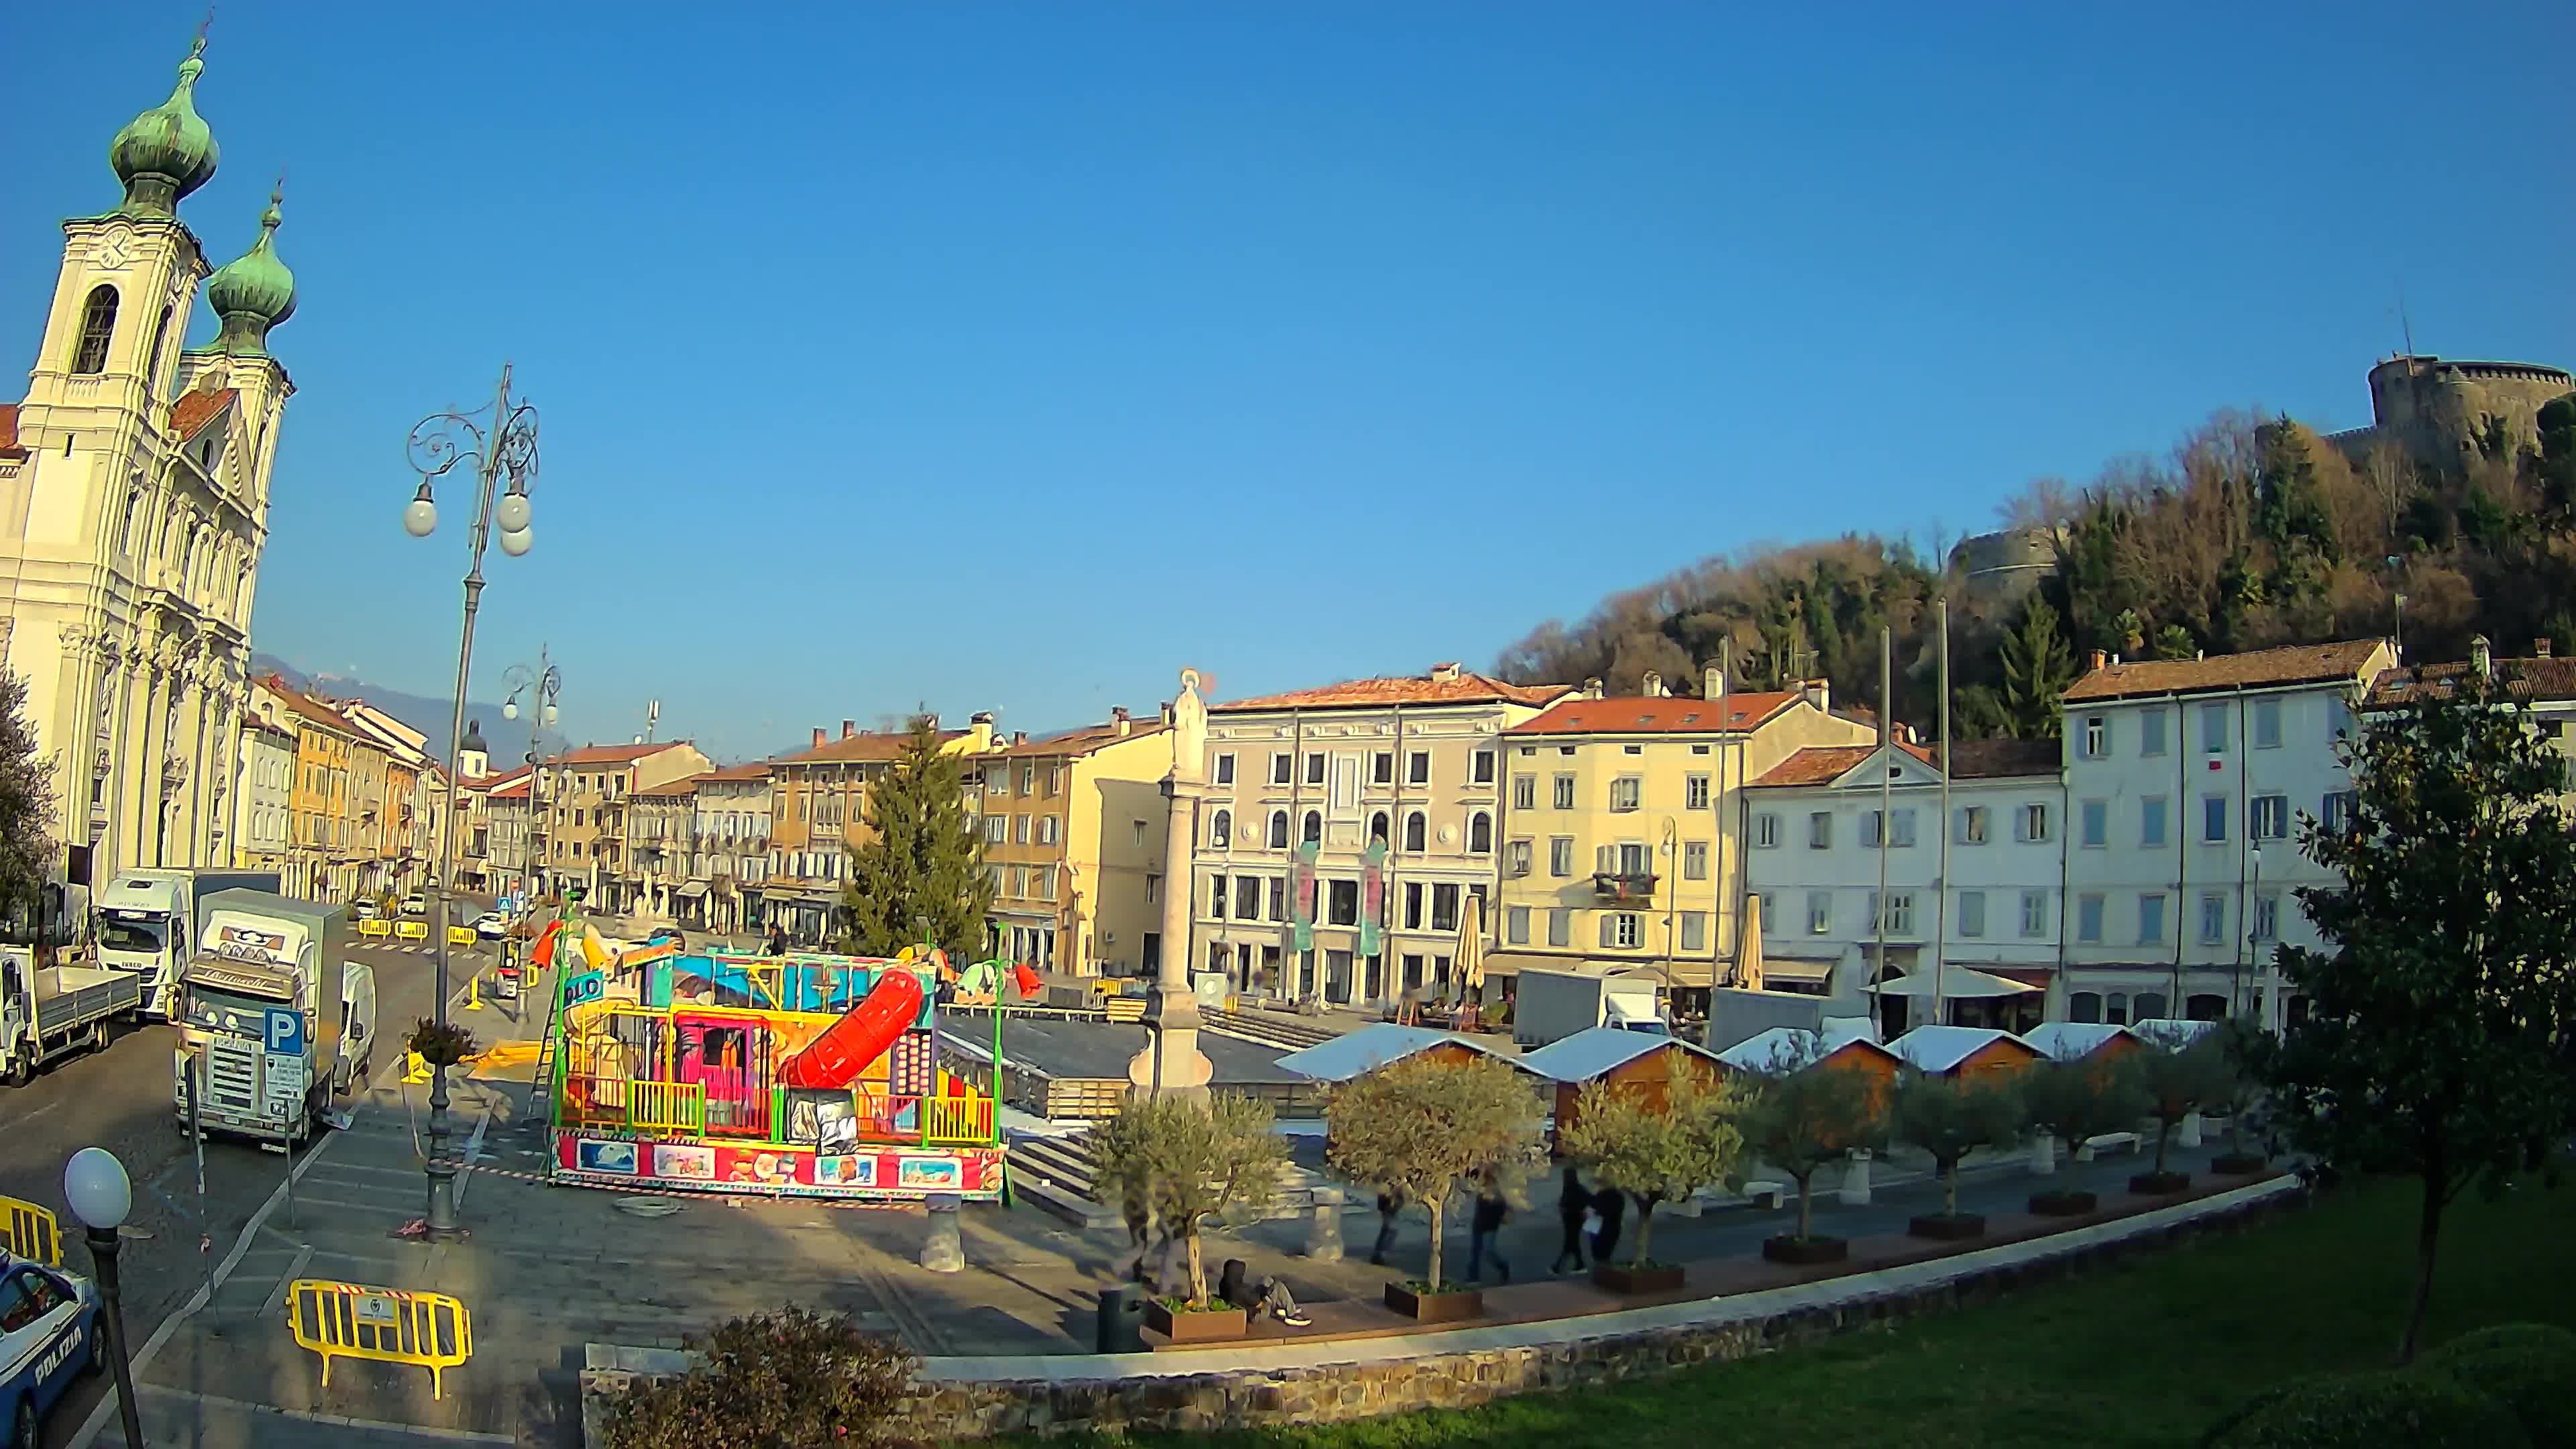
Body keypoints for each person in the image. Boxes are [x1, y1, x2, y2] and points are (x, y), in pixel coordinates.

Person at [1218, 1258, 1311, 1328]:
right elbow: (1260, 1305)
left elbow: (1249, 1297)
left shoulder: (1224, 1283)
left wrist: (1261, 1291)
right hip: (1255, 1315)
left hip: (1245, 1304)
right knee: (1278, 1286)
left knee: (1267, 1280)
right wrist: (1266, 1294)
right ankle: (1291, 1315)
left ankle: (1285, 1307)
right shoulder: (1242, 1289)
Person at [1468, 1175, 1513, 1284]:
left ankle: (1503, 1267)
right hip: (1478, 1225)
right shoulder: (1481, 1193)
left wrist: (1504, 1215)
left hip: (1490, 1228)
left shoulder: (1499, 1198)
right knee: (1475, 1252)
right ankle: (1473, 1277)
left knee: (1489, 1252)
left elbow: (1505, 1214)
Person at [1550, 1166, 1591, 1275]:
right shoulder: (1573, 1188)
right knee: (1572, 1243)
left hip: (1573, 1220)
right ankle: (1579, 1265)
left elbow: (1589, 1200)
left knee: (1570, 1242)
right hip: (1573, 1220)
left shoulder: (1573, 1189)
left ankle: (1558, 1267)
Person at [1590, 1185, 1627, 1265]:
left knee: (1600, 1255)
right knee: (1606, 1254)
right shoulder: (1618, 1196)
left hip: (1601, 1228)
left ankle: (1603, 1270)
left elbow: (1594, 1210)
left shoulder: (1600, 1195)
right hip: (1613, 1227)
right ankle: (1605, 1269)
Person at [1370, 1191, 1403, 1267]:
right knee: (1390, 1232)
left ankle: (1378, 1255)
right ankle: (1380, 1256)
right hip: (1390, 1206)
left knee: (1386, 1231)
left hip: (1388, 1206)